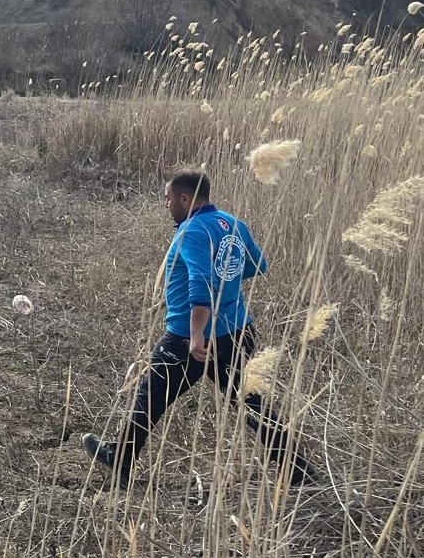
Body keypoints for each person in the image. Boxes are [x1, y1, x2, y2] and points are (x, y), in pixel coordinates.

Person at [83, 171, 314, 487]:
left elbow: (201, 285)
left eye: (168, 198)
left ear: (184, 199)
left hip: (190, 338)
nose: (165, 204)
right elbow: (257, 265)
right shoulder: (232, 223)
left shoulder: (191, 231)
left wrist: (195, 335)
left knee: (150, 395)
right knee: (255, 406)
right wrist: (227, 281)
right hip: (237, 332)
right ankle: (300, 472)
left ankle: (119, 459)